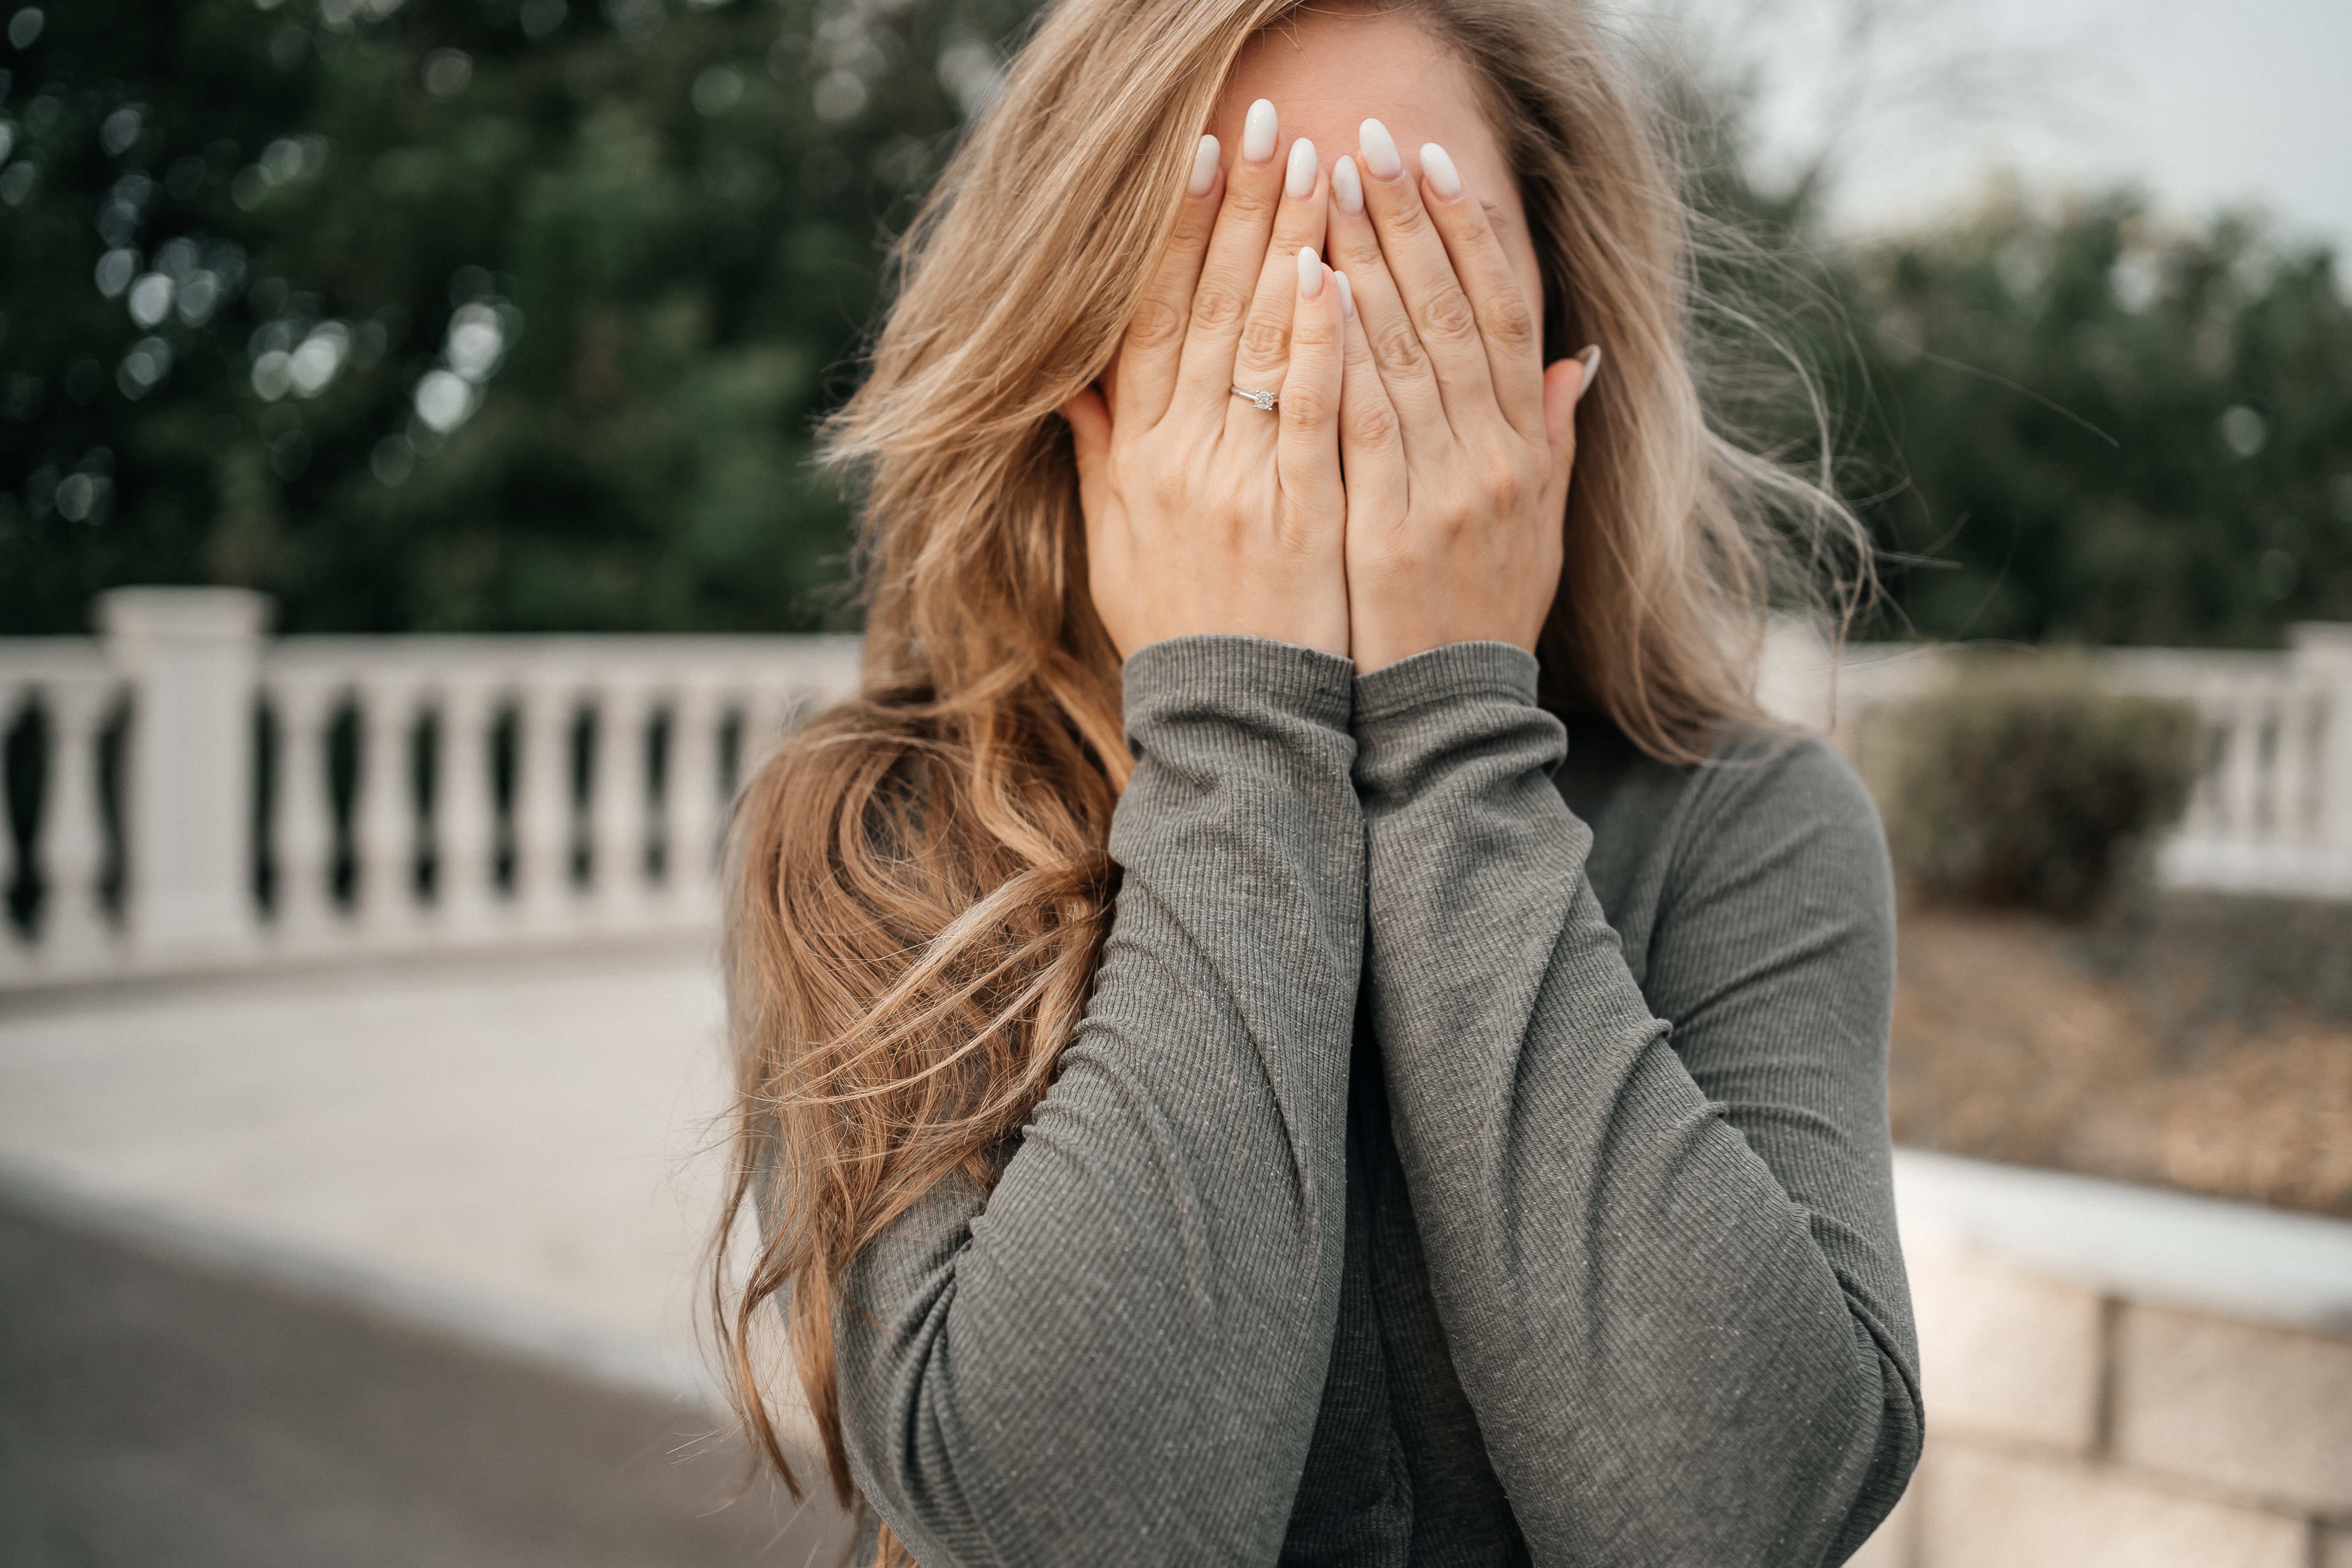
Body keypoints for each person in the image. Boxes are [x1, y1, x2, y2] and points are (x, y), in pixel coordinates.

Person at [712, 0, 1924, 1560]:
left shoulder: (1748, 828)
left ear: (1560, 361)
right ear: (1073, 360)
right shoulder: (879, 835)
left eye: (1421, 273)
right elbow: (1062, 1519)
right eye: (1237, 279)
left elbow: (1747, 1511)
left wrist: (1454, 734)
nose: (1325, 359)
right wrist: (1238, 723)